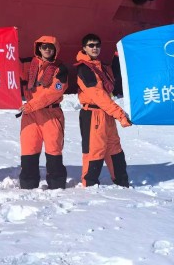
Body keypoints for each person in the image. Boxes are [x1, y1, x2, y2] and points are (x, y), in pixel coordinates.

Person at [75, 33, 132, 187]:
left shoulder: (101, 67)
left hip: (106, 113)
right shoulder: (84, 69)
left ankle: (121, 182)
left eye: (97, 45)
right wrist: (120, 114)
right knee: (94, 150)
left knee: (114, 148)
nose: (95, 48)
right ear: (84, 48)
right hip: (93, 114)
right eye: (91, 45)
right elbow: (99, 95)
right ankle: (90, 184)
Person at [18, 36, 68, 189]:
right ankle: (28, 184)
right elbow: (9, 66)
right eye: (44, 46)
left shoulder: (60, 69)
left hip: (51, 114)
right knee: (29, 148)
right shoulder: (27, 64)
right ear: (39, 48)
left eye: (50, 47)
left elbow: (54, 92)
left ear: (55, 50)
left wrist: (32, 105)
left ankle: (57, 184)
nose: (47, 49)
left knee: (53, 149)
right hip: (30, 115)